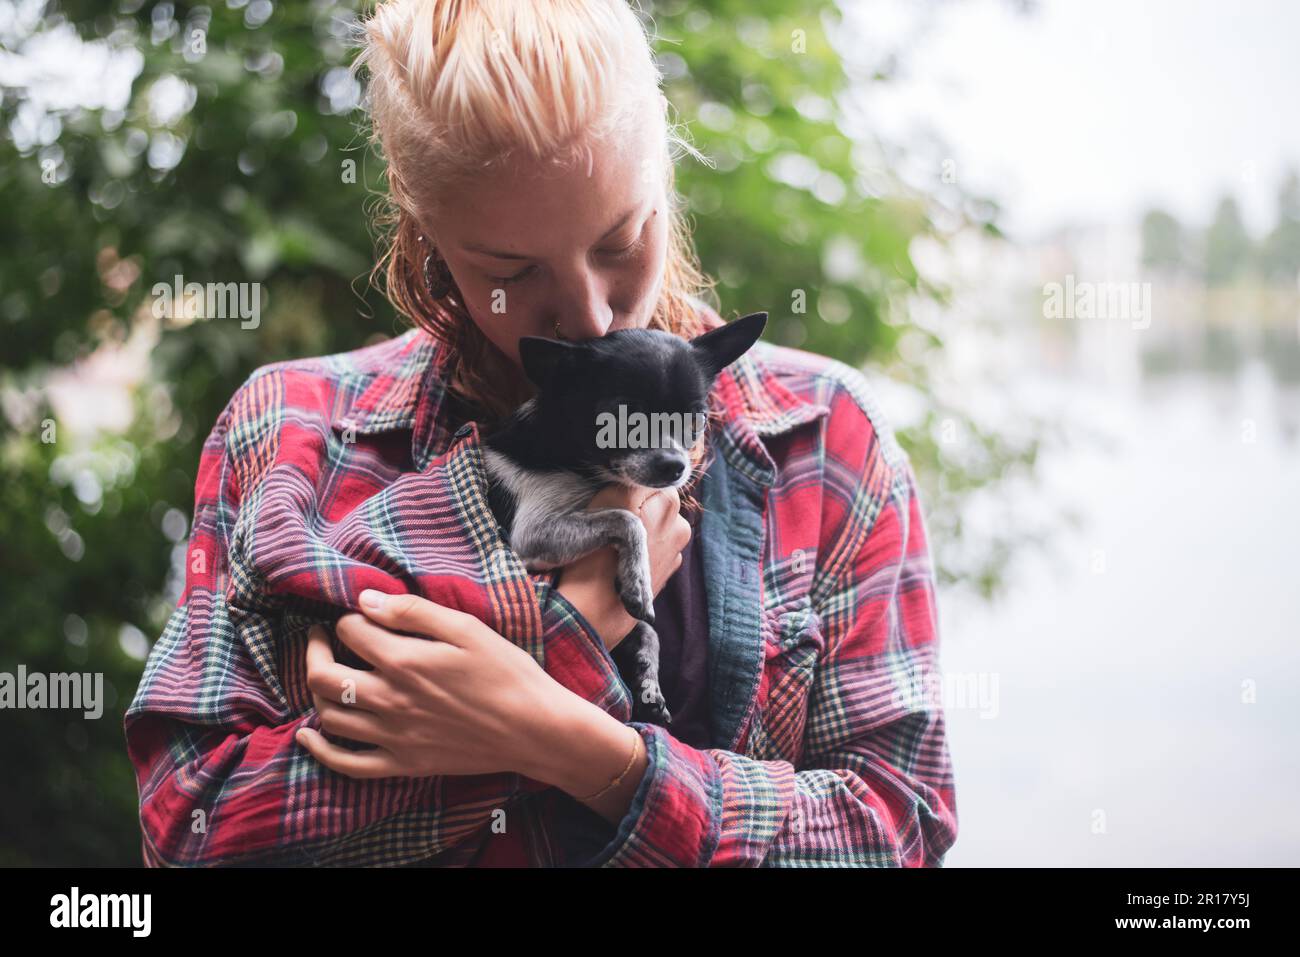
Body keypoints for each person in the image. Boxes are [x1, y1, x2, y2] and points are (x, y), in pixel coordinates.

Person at [123, 0, 958, 867]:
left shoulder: (821, 436)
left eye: (621, 239)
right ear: (424, 232)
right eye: (511, 272)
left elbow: (898, 826)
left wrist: (573, 743)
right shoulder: (294, 434)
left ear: (665, 168)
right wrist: (563, 638)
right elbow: (188, 828)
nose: (591, 317)